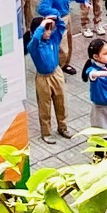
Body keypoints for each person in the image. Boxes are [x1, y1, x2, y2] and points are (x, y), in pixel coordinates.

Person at [27, 15, 70, 144]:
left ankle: (63, 127)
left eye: (50, 29)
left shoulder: (53, 40)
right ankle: (46, 132)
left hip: (56, 73)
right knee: (44, 106)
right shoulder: (34, 46)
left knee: (61, 102)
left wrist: (55, 18)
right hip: (43, 78)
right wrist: (42, 25)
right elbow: (35, 39)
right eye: (46, 30)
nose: (49, 32)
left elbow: (61, 27)